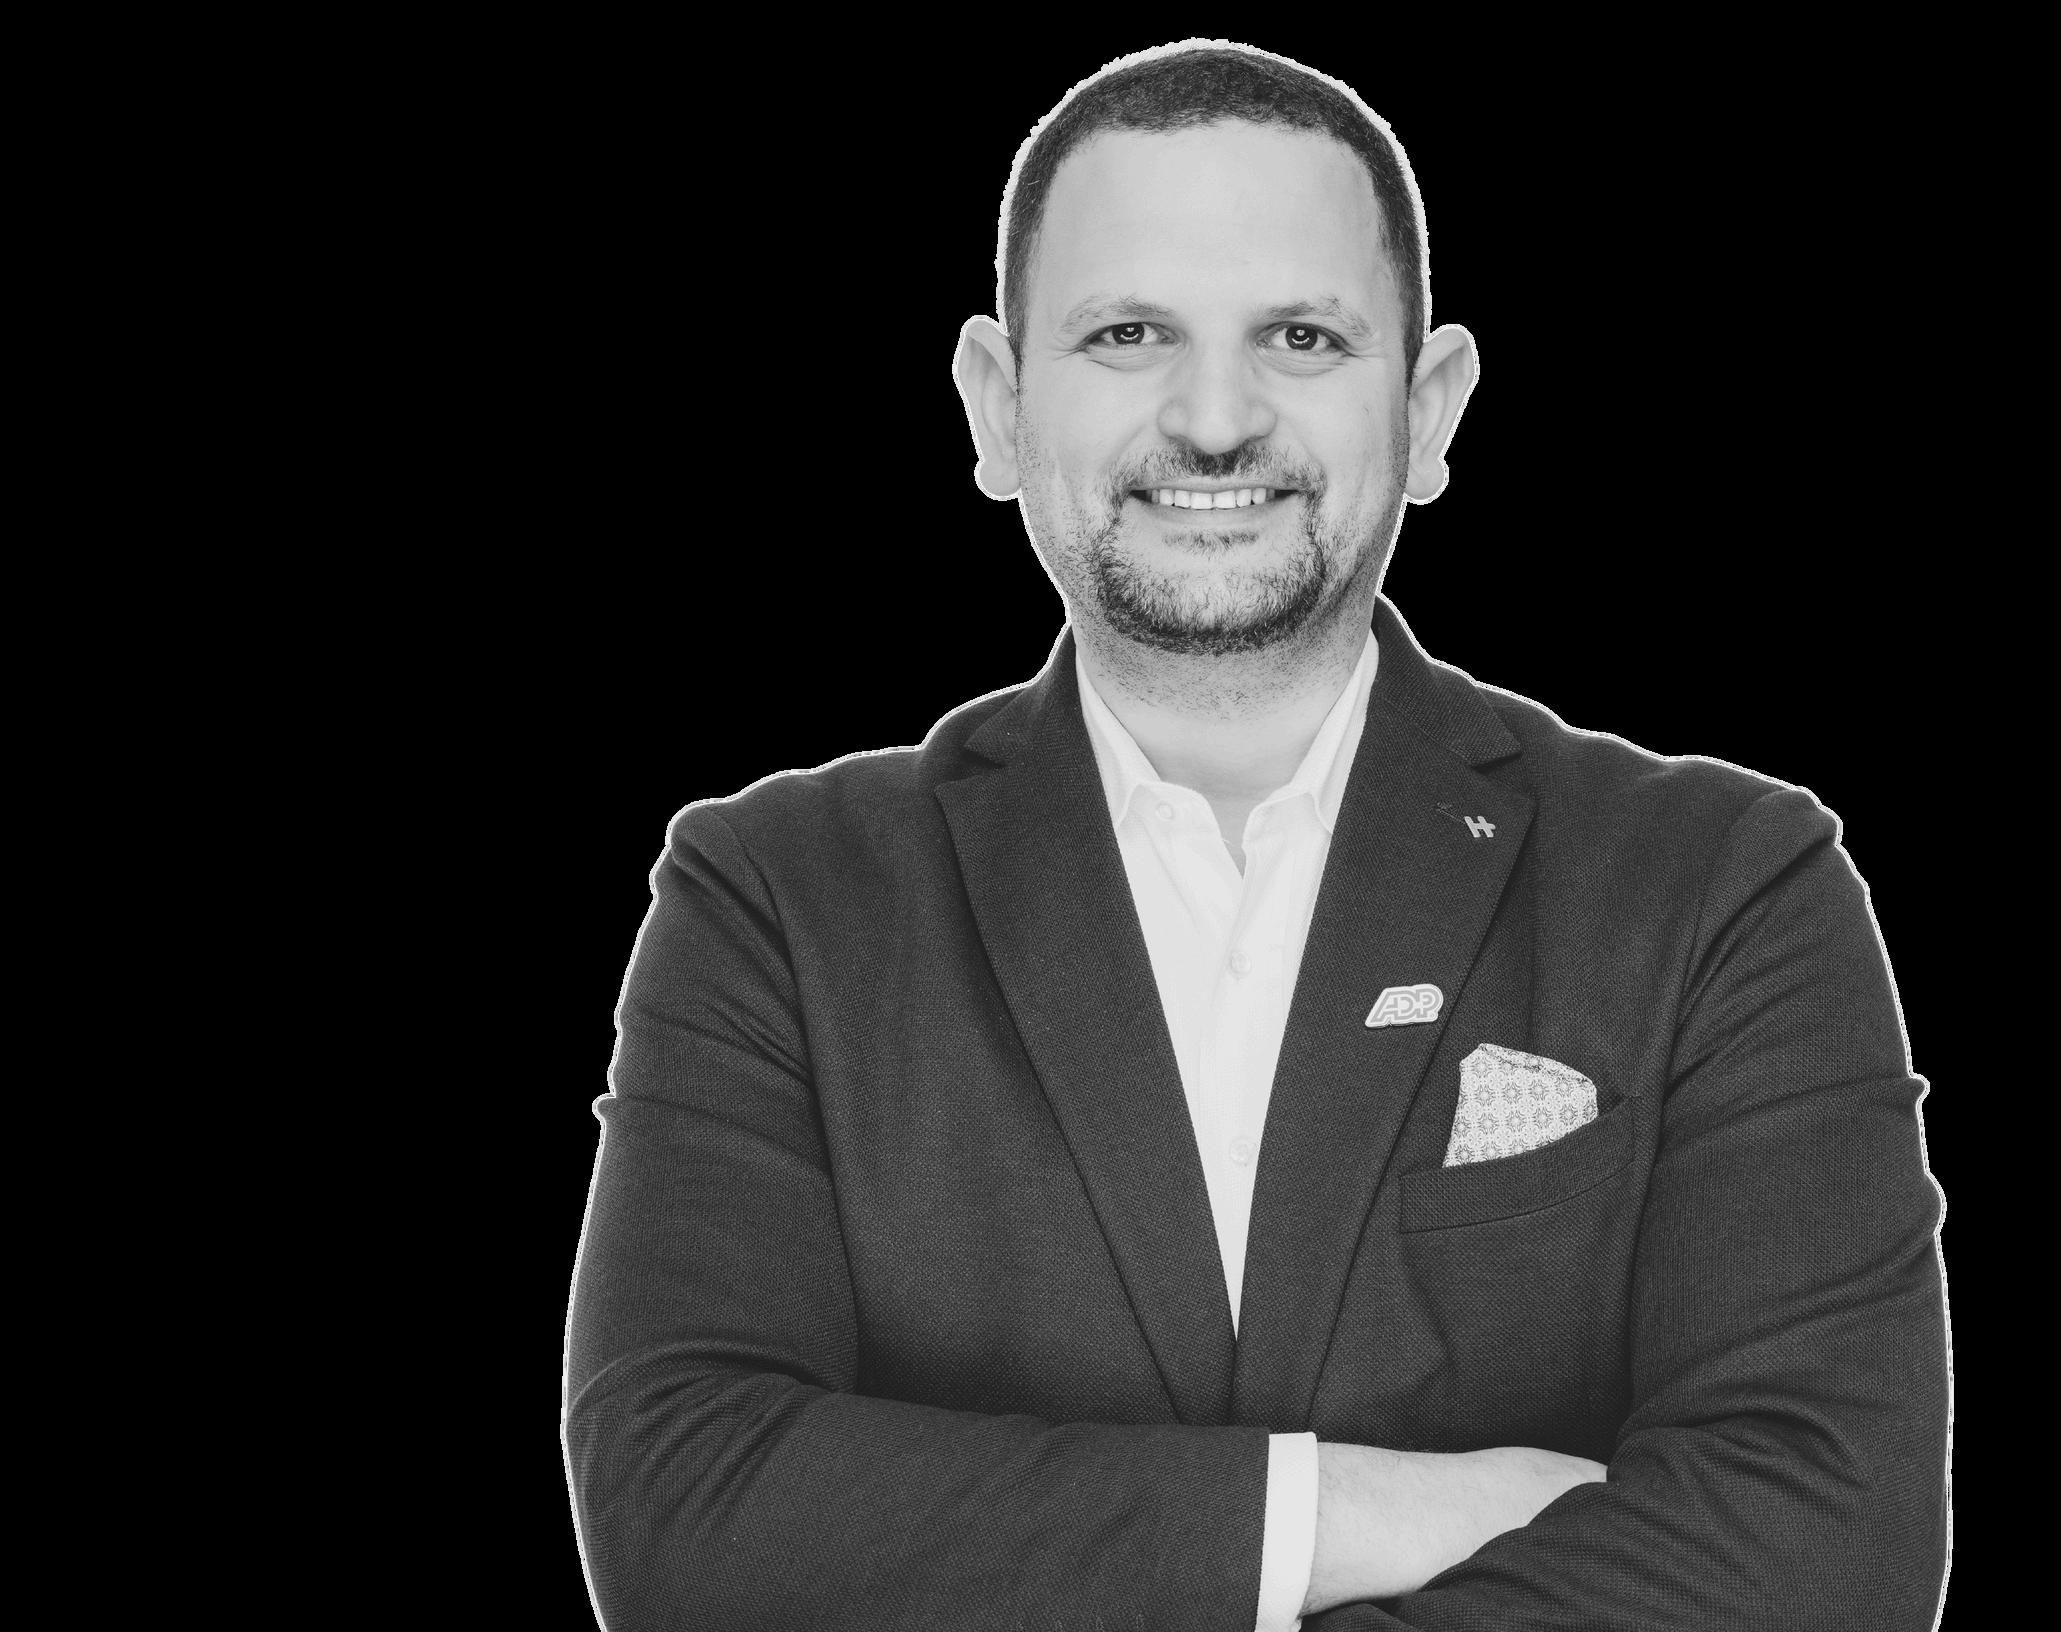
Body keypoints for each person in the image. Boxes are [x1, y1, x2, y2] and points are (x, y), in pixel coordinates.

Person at [564, 40, 1949, 1632]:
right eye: (1129, 333)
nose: (1215, 420)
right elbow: (685, 1511)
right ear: (999, 407)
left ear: (1428, 409)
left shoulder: (1725, 888)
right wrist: (1334, 1511)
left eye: (1300, 336)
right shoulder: (775, 901)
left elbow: (1825, 1548)